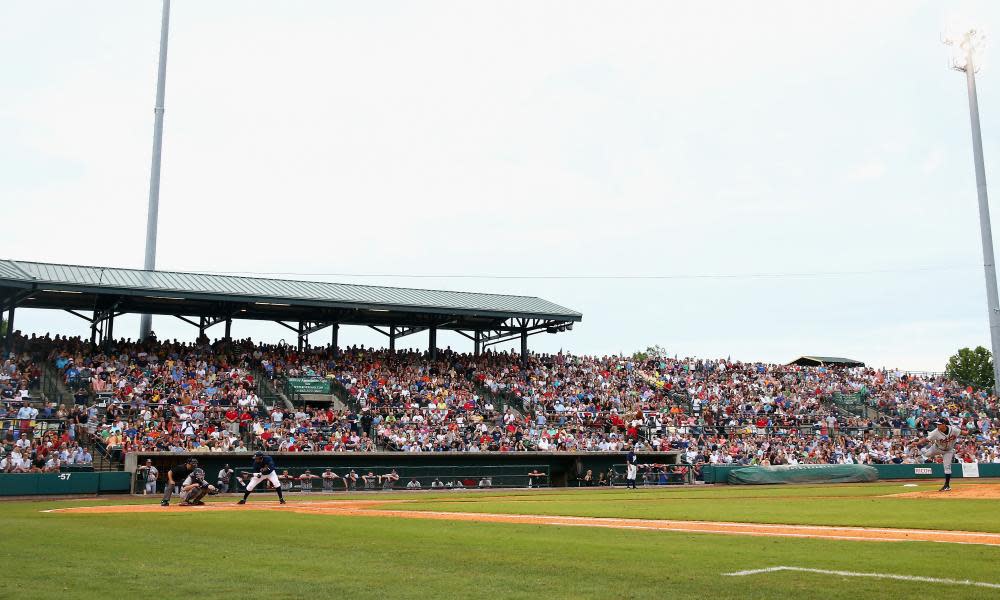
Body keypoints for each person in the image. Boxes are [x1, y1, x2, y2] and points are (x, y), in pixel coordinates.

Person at [915, 419, 968, 492]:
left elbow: (962, 432)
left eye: (939, 424)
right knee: (926, 454)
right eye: (937, 424)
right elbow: (926, 439)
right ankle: (921, 449)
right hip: (937, 448)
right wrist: (917, 443)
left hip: (948, 451)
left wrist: (969, 432)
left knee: (947, 467)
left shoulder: (953, 429)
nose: (937, 425)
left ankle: (947, 485)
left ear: (944, 424)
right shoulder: (935, 432)